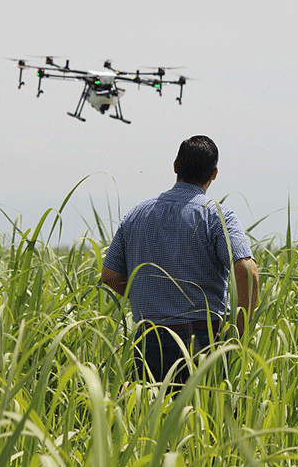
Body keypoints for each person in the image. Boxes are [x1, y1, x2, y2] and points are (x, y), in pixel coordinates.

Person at [101, 135, 258, 384]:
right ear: (214, 173)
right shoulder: (218, 215)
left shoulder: (136, 215)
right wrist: (237, 329)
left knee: (149, 419)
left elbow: (109, 276)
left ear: (175, 165)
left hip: (149, 337)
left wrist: (151, 293)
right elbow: (247, 269)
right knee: (202, 418)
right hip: (201, 340)